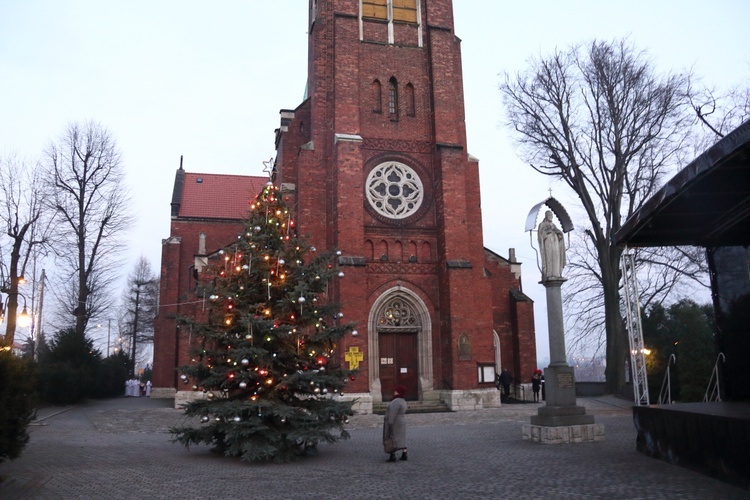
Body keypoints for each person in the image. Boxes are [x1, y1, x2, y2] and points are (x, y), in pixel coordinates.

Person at [537, 210, 566, 280]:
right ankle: (549, 273)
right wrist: (546, 233)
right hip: (548, 243)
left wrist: (559, 234)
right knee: (549, 257)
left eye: (551, 215)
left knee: (556, 256)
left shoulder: (553, 225)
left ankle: (556, 273)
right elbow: (540, 236)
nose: (551, 217)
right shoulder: (542, 224)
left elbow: (559, 233)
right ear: (546, 216)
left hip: (555, 243)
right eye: (549, 215)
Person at [383, 385, 408, 462]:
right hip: (401, 421)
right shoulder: (403, 401)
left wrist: (390, 424)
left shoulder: (396, 402)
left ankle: (392, 455)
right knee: (401, 438)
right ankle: (404, 454)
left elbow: (392, 414)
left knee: (392, 437)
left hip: (395, 422)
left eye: (396, 391)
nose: (394, 392)